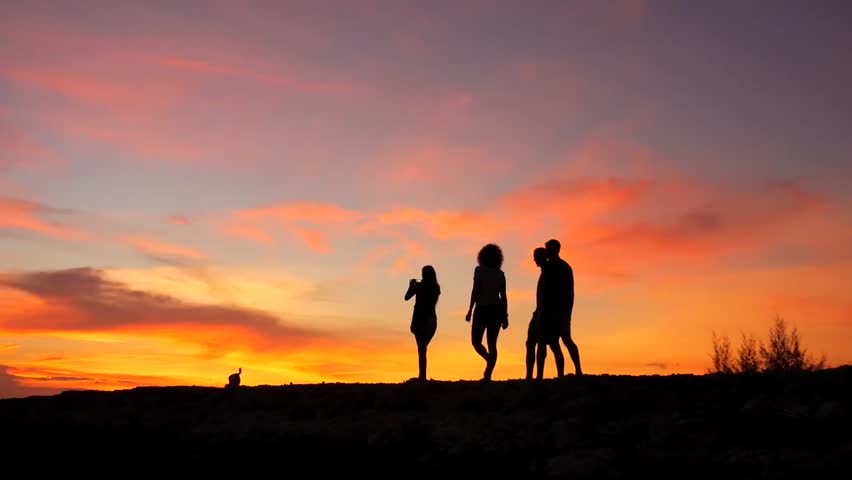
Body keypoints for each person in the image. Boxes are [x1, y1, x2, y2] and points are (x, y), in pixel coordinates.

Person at [465, 243, 508, 381]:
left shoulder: (479, 270)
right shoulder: (500, 274)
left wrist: (470, 309)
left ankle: (488, 372)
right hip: (496, 310)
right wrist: (505, 316)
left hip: (483, 309)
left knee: (477, 342)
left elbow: (475, 291)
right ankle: (490, 365)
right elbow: (504, 297)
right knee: (490, 344)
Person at [544, 238, 582, 376]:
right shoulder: (548, 266)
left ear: (555, 250)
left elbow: (569, 291)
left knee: (566, 339)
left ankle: (578, 369)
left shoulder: (563, 267)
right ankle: (561, 373)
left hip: (561, 310)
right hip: (551, 310)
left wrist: (567, 310)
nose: (547, 252)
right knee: (554, 343)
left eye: (548, 249)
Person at [527, 247, 564, 380]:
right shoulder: (545, 271)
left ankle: (542, 376)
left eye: (536, 256)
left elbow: (553, 293)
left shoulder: (550, 271)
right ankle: (531, 376)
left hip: (548, 313)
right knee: (531, 343)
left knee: (551, 343)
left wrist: (549, 313)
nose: (534, 259)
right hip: (539, 312)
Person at [405, 265, 441, 381]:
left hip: (421, 320)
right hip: (431, 320)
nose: (421, 275)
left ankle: (422, 377)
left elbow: (406, 297)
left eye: (423, 273)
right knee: (422, 349)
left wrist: (411, 286)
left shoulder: (420, 287)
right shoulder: (436, 287)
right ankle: (422, 377)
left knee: (421, 350)